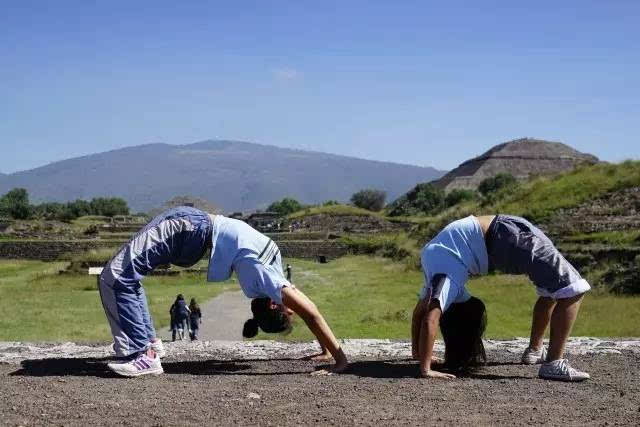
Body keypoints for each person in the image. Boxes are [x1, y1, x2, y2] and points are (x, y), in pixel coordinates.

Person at [99, 206, 347, 377]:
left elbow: (311, 313)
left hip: (190, 229)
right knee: (125, 276)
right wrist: (326, 351)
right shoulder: (267, 282)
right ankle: (149, 345)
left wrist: (340, 361)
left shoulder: (265, 279)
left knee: (116, 276)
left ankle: (143, 354)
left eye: (289, 311)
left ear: (274, 305)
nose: (294, 306)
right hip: (192, 227)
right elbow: (309, 312)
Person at [411, 214, 591, 382]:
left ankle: (536, 351)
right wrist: (426, 370)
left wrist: (418, 355)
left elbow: (420, 312)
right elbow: (430, 318)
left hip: (502, 233)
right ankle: (552, 363)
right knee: (572, 288)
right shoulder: (446, 273)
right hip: (502, 235)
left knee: (551, 284)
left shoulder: (441, 274)